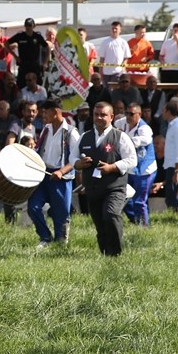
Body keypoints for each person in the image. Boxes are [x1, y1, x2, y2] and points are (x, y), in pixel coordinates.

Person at [76, 101, 136, 255]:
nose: (99, 118)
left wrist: (112, 167)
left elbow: (132, 160)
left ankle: (116, 253)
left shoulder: (121, 136)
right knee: (100, 224)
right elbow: (72, 158)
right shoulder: (84, 137)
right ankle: (105, 254)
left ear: (111, 117)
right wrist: (78, 163)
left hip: (114, 187)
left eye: (103, 115)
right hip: (92, 188)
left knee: (110, 215)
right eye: (96, 114)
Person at [28, 100, 80, 247]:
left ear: (55, 112)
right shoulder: (46, 129)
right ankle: (45, 237)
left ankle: (61, 242)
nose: (42, 115)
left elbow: (76, 159)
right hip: (44, 174)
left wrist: (61, 171)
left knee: (61, 213)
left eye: (45, 112)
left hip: (61, 177)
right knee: (33, 206)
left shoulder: (71, 132)